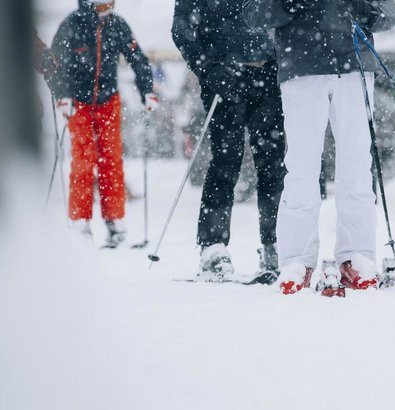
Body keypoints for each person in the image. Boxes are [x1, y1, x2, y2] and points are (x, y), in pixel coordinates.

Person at [243, 0, 395, 295]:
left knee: (356, 167)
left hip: (355, 65)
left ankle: (357, 256)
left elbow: (388, 13)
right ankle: (296, 261)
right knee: (301, 168)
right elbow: (252, 13)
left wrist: (367, 8)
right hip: (300, 68)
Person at [172, 0, 286, 283]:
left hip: (269, 74)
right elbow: (181, 29)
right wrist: (208, 69)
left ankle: (275, 242)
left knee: (272, 161)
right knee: (226, 160)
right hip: (224, 77)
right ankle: (213, 247)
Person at [51, 0, 158, 246]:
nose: (107, 7)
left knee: (110, 159)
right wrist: (62, 95)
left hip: (108, 101)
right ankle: (80, 221)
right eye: (101, 3)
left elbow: (137, 58)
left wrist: (147, 89)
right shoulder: (71, 25)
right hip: (79, 102)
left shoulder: (117, 25)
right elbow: (57, 64)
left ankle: (114, 219)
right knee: (83, 159)